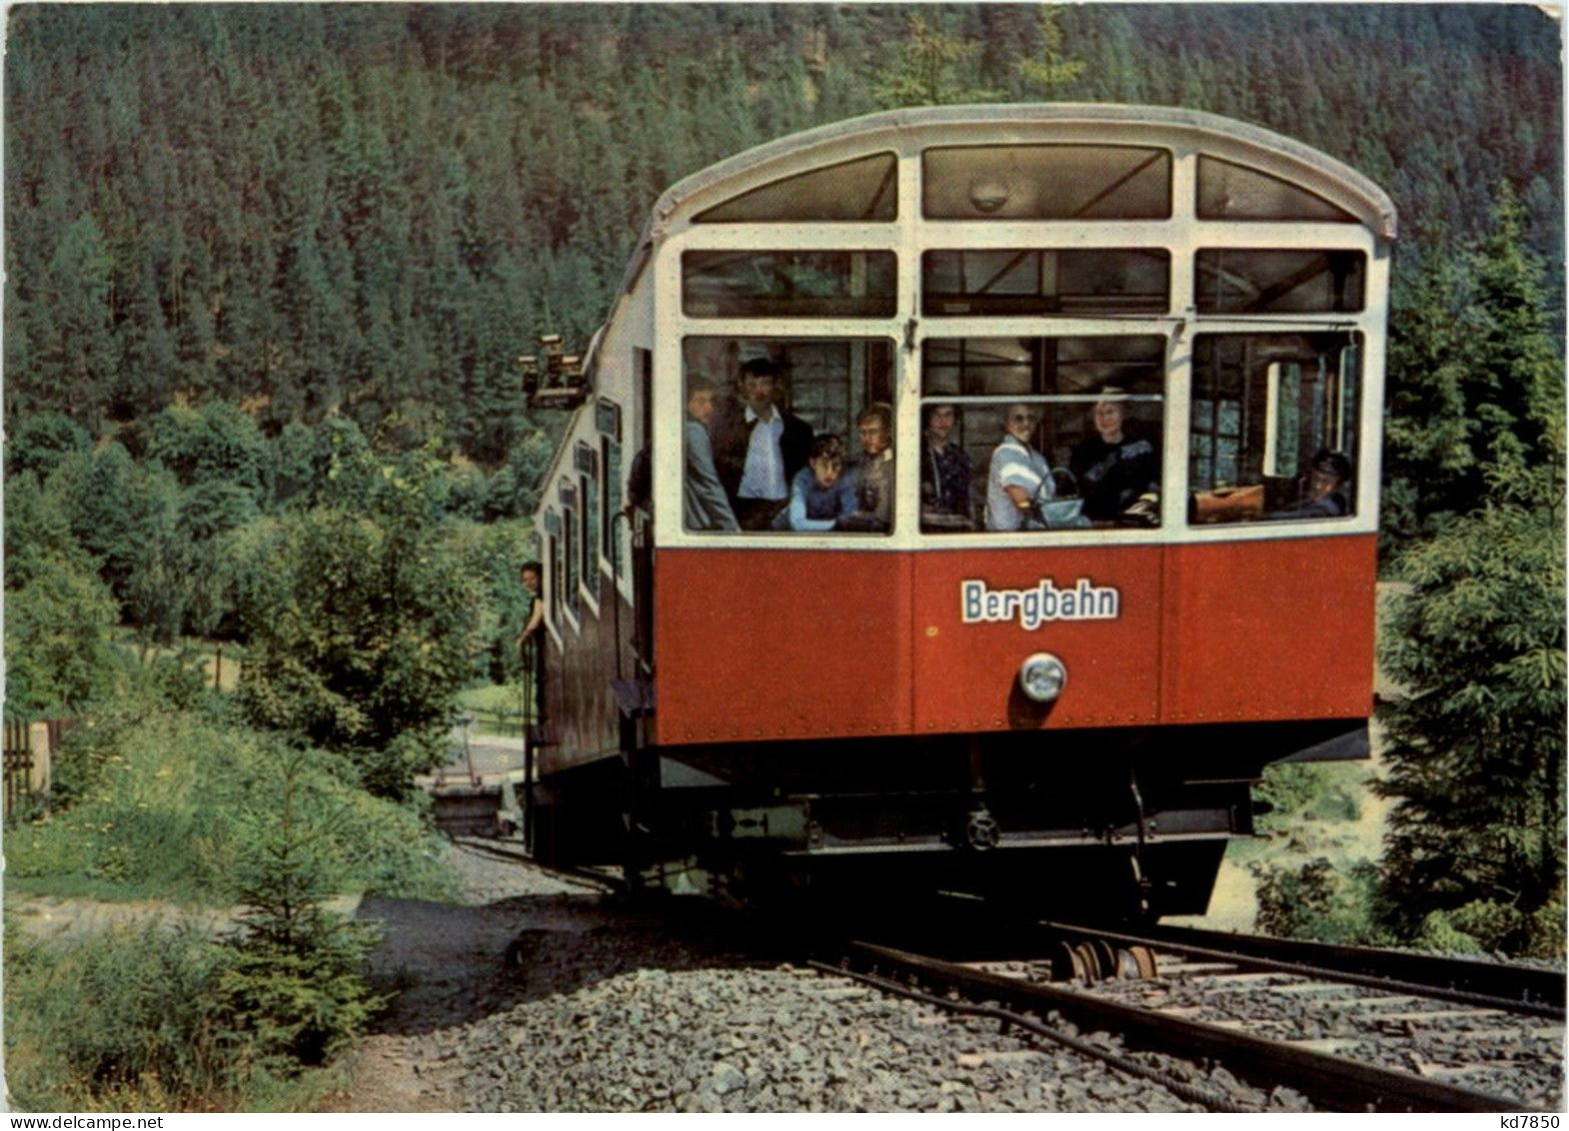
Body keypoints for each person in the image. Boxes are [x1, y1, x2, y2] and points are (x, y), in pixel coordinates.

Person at [711, 356, 813, 530]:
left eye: (765, 384)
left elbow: (807, 474)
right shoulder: (727, 428)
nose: (759, 392)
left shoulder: (798, 429)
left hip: (783, 509)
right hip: (741, 510)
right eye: (752, 385)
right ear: (742, 388)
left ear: (775, 387)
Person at [1069, 389, 1160, 522]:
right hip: (1094, 524)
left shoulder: (1141, 448)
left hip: (1135, 522)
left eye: (1110, 412)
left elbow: (1155, 486)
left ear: (1123, 414)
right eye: (1099, 413)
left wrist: (1149, 501)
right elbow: (1076, 491)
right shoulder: (1083, 450)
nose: (1104, 418)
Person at [682, 374, 739, 532]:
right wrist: (732, 527)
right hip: (696, 523)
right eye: (701, 401)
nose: (709, 408)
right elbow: (708, 483)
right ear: (684, 403)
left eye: (710, 401)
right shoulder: (694, 431)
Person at [986, 403, 1053, 532]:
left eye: (1031, 418)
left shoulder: (1037, 457)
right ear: (1006, 424)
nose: (1026, 423)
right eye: (1019, 418)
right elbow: (1021, 499)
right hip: (1010, 538)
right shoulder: (1006, 452)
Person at [773, 434, 858, 531]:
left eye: (836, 465)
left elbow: (851, 520)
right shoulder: (802, 479)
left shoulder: (845, 478)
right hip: (784, 532)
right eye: (824, 465)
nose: (829, 472)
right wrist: (837, 525)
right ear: (813, 463)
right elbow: (797, 523)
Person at [920, 403, 973, 527]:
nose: (943, 421)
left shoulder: (961, 457)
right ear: (928, 419)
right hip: (928, 528)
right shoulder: (918, 454)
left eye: (948, 415)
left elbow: (968, 497)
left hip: (958, 528)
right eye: (937, 415)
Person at [845, 401, 895, 531]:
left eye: (873, 432)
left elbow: (883, 516)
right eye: (863, 432)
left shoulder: (895, 464)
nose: (867, 438)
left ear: (887, 432)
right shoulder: (857, 462)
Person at [1273, 448, 1352, 519]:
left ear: (1338, 486)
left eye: (1326, 482)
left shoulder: (1325, 511)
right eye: (1315, 478)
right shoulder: (1307, 500)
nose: (1317, 486)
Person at [515, 560, 545, 719]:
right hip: (541, 647)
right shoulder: (541, 594)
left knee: (541, 687)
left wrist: (522, 639)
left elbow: (535, 620)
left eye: (532, 578)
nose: (528, 583)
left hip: (545, 648)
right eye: (525, 580)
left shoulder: (542, 596)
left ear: (541, 576)